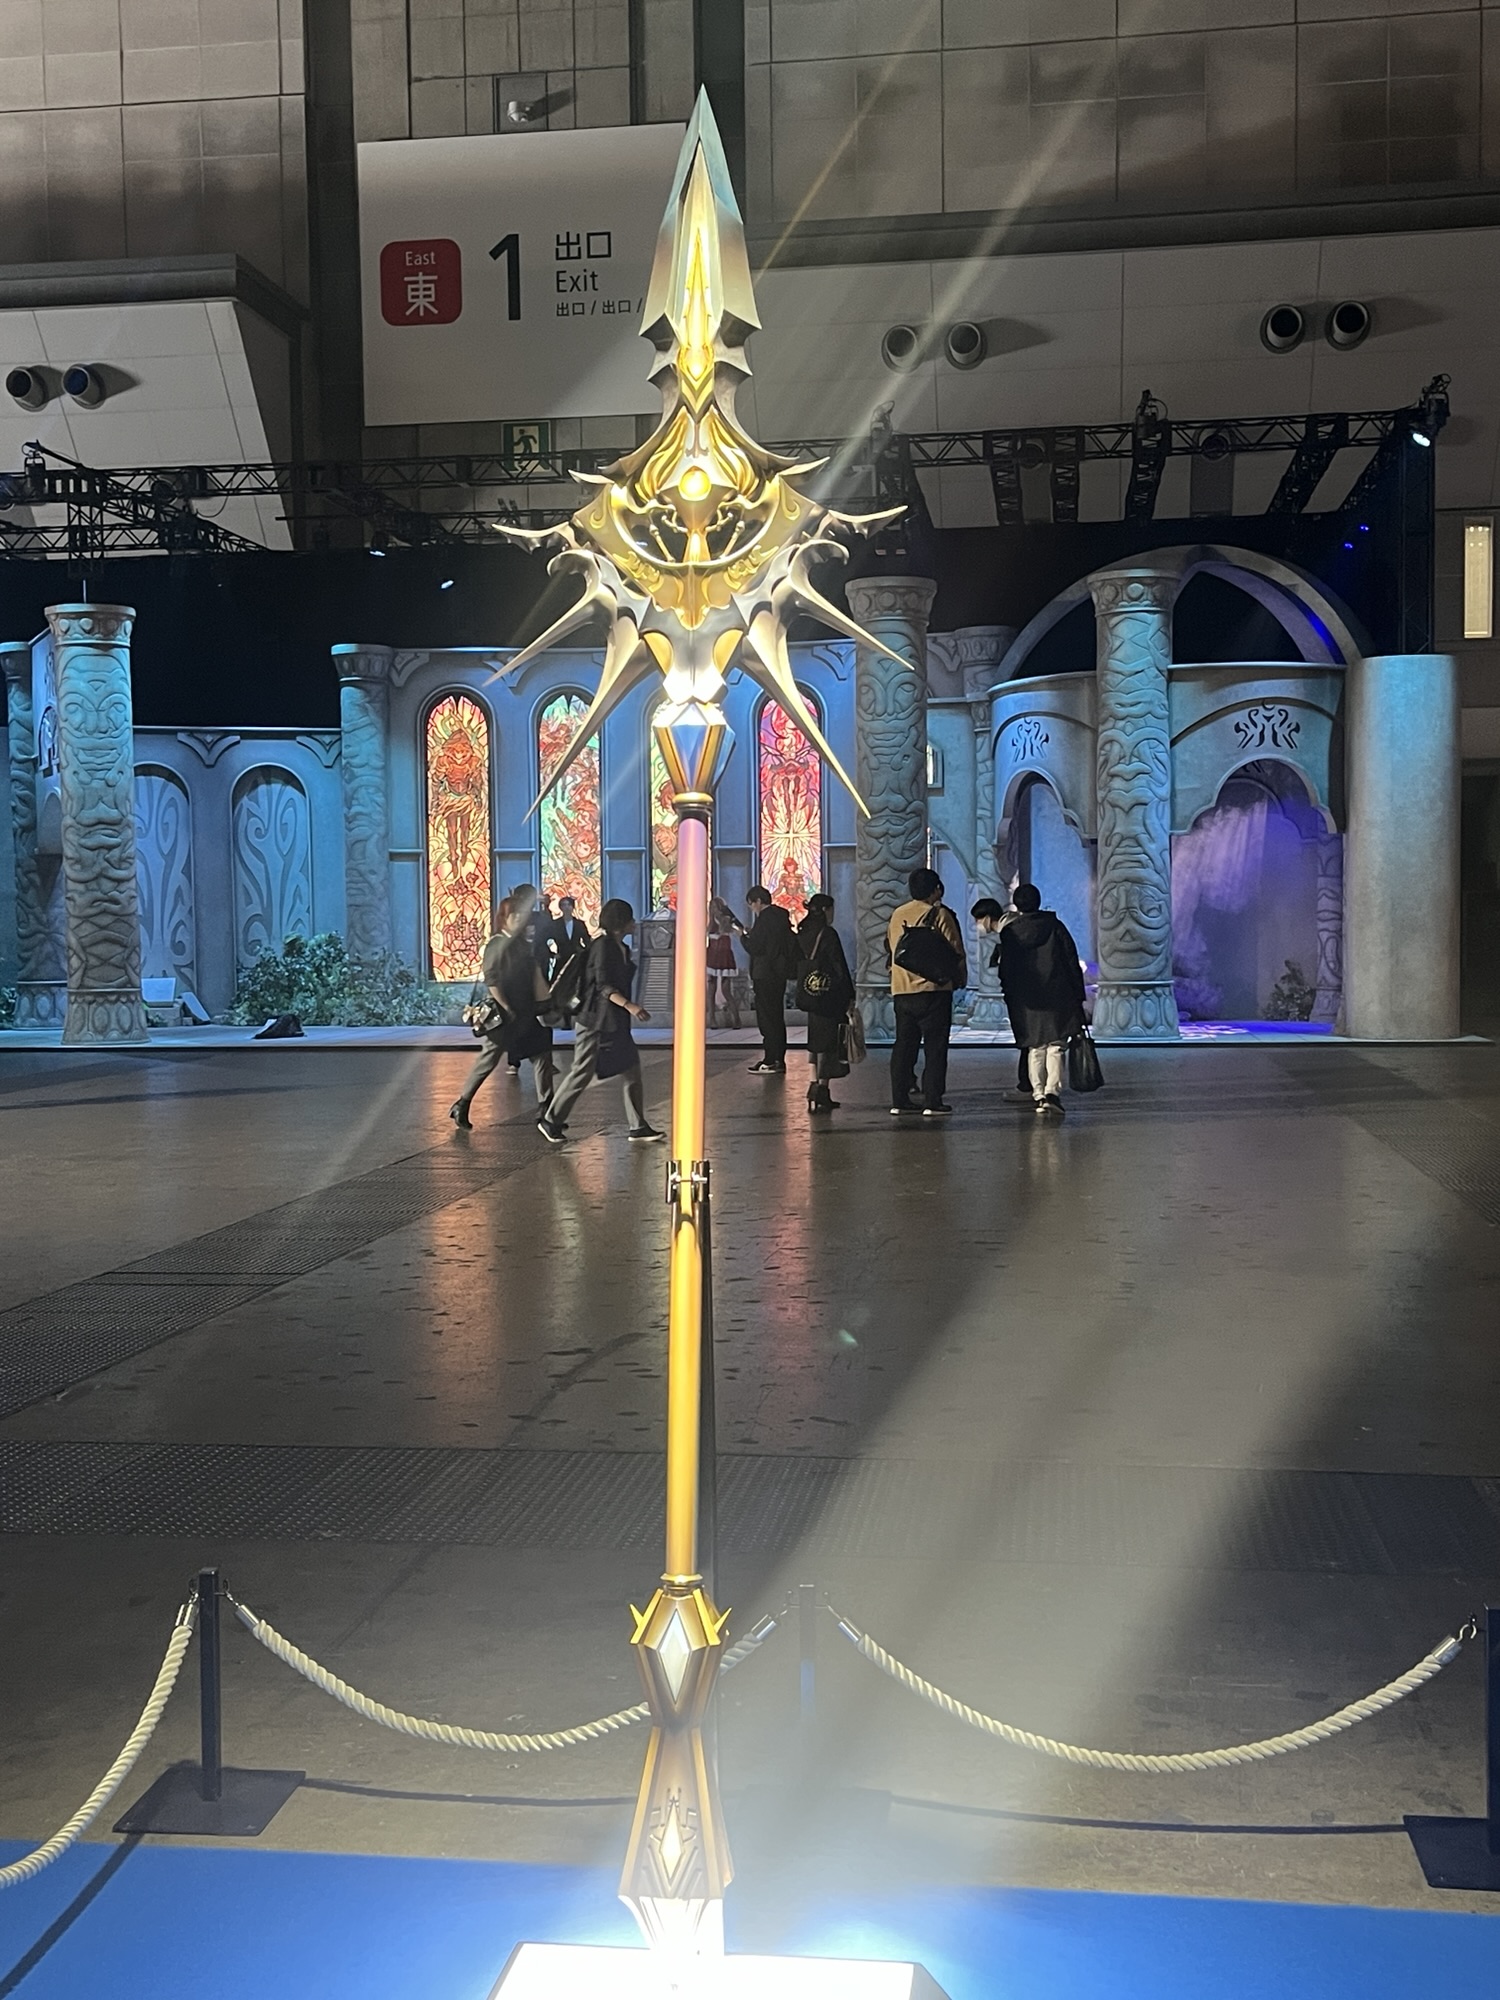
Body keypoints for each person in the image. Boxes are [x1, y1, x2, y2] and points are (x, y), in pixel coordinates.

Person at [537, 898, 664, 1146]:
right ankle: (551, 1120)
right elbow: (602, 985)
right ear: (621, 923)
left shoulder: (621, 947)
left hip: (614, 1021)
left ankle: (638, 1125)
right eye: (630, 919)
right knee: (582, 1071)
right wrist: (629, 1005)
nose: (634, 923)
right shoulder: (603, 947)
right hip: (595, 1020)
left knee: (632, 1069)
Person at [450, 888, 556, 1128]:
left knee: (542, 1054)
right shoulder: (496, 944)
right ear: (504, 918)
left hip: (524, 1011)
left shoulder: (521, 944)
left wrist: (544, 999)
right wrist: (506, 1006)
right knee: (488, 1059)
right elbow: (492, 979)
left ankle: (546, 1108)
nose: (518, 919)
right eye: (513, 915)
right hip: (504, 1014)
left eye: (520, 915)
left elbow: (532, 974)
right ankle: (462, 1103)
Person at [994, 882, 1087, 1118]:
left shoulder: (1010, 933)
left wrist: (1010, 995)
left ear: (1017, 905)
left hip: (1027, 999)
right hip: (1058, 994)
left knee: (1035, 1047)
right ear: (1038, 901)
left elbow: (1006, 969)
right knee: (1056, 1045)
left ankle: (1038, 1095)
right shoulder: (1055, 927)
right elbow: (1071, 961)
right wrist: (1078, 994)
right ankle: (1052, 1092)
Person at [887, 866, 967, 1118]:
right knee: (935, 1047)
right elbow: (955, 950)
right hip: (934, 990)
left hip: (902, 990)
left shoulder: (898, 914)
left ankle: (900, 1100)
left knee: (904, 1046)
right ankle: (932, 1101)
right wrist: (960, 979)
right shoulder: (940, 914)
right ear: (936, 890)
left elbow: (893, 949)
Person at [796, 893, 855, 1114]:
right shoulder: (828, 934)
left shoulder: (803, 931)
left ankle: (813, 1084)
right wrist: (849, 995)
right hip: (829, 994)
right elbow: (839, 965)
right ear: (826, 910)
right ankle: (822, 1089)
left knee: (814, 1039)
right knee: (829, 1042)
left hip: (810, 993)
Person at [973, 896, 1031, 1097]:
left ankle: (1027, 1085)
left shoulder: (1010, 932)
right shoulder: (1016, 927)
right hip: (1028, 993)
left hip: (1023, 996)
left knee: (1028, 1041)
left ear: (988, 918)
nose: (978, 926)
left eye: (978, 920)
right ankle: (1035, 1086)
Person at [744, 885, 799, 1074]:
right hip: (778, 974)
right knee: (776, 1017)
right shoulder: (781, 918)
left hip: (764, 973)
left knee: (767, 1019)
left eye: (752, 904)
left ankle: (770, 1060)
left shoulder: (764, 919)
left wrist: (743, 937)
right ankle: (778, 1059)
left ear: (759, 901)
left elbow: (756, 947)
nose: (752, 908)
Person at [540, 895, 590, 1016]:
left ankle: (573, 1010)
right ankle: (558, 1010)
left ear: (573, 907)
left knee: (576, 986)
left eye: (568, 905)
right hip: (562, 958)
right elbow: (543, 940)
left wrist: (583, 952)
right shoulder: (555, 924)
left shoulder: (579, 924)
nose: (566, 907)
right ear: (560, 907)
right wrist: (552, 954)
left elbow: (587, 941)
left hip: (576, 960)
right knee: (558, 985)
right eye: (563, 905)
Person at [707, 896, 744, 1030]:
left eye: (716, 907)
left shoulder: (726, 920)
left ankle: (737, 1019)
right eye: (712, 907)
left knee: (725, 990)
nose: (714, 910)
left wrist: (728, 921)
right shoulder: (711, 923)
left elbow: (736, 928)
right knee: (711, 990)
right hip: (712, 956)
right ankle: (712, 1019)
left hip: (724, 956)